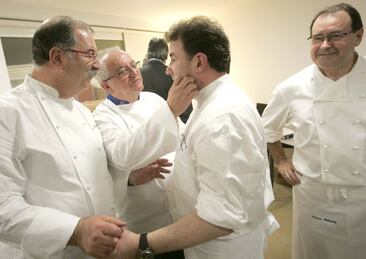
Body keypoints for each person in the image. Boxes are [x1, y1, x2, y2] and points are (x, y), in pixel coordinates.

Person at [114, 16, 278, 259]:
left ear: (199, 62)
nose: (168, 68)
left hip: (219, 248)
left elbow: (220, 217)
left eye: (173, 58)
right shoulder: (208, 102)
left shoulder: (222, 118)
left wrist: (141, 243)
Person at [0, 16, 127, 259]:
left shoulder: (81, 110)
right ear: (57, 58)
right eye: (90, 54)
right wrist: (76, 230)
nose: (96, 65)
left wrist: (130, 178)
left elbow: (89, 174)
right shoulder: (1, 115)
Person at [262, 3, 365, 259]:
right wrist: (281, 161)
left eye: (336, 36)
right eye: (318, 38)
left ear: (358, 36)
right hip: (313, 193)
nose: (325, 44)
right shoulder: (291, 88)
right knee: (313, 251)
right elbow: (267, 130)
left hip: (362, 194)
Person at [93, 48, 195, 258]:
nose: (134, 72)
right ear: (106, 85)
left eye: (134, 64)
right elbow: (123, 154)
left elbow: (184, 136)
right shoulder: (102, 117)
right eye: (122, 71)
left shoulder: (153, 100)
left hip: (180, 206)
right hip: (144, 218)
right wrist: (129, 179)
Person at [141, 37, 192, 123]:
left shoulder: (138, 74)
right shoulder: (172, 74)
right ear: (166, 53)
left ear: (148, 51)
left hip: (145, 126)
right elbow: (186, 109)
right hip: (170, 124)